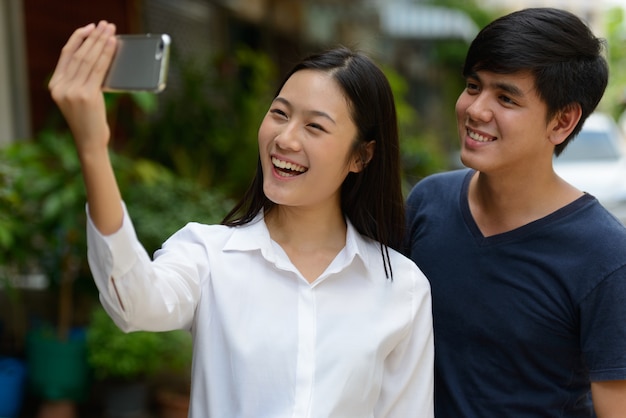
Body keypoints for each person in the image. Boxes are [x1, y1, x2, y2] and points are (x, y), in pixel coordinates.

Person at [49, 21, 434, 417]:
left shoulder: (401, 289)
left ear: (361, 156)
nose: (285, 138)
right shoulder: (209, 256)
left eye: (315, 126)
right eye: (279, 114)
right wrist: (94, 149)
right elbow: (132, 302)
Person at [405, 7, 626, 417]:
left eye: (505, 97)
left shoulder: (606, 256)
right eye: (473, 86)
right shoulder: (427, 203)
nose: (476, 110)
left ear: (562, 121)